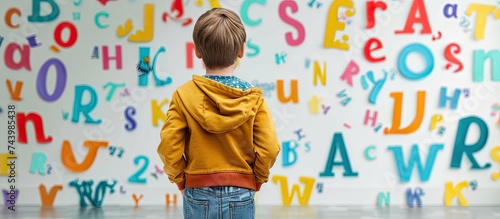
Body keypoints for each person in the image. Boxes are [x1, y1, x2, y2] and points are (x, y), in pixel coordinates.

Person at [157, 7, 281, 219]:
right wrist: (256, 178)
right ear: (241, 50)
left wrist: (180, 179)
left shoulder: (183, 95)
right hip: (241, 191)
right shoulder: (254, 99)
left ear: (197, 51)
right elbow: (269, 148)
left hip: (197, 190)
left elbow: (169, 147)